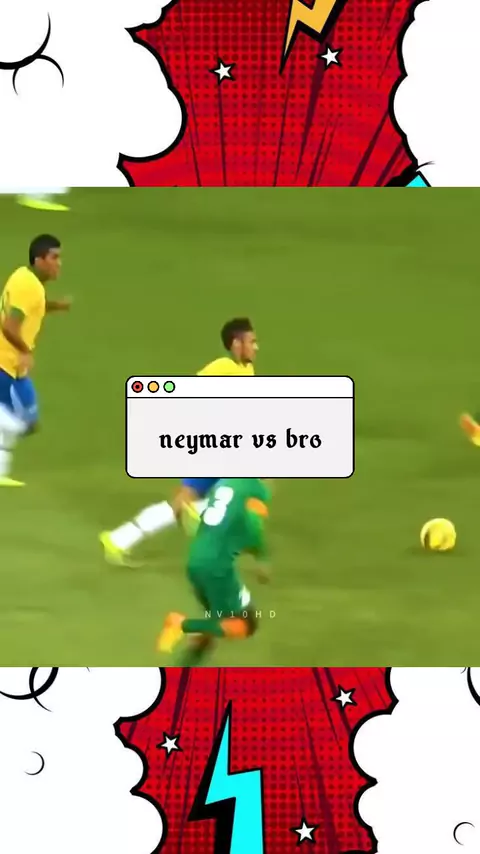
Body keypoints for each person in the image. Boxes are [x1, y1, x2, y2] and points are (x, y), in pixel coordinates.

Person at [100, 317, 259, 564]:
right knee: (242, 491)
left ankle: (119, 539)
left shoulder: (246, 370)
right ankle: (205, 515)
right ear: (237, 344)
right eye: (252, 341)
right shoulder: (223, 367)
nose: (256, 347)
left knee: (179, 505)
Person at [157, 477, 271, 665]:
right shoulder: (256, 489)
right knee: (246, 623)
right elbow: (253, 526)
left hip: (196, 560)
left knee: (213, 626)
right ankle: (180, 624)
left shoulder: (224, 482)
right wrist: (261, 559)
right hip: (217, 569)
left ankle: (182, 671)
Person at [0, 235, 71, 486]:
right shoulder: (28, 285)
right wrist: (25, 351)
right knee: (17, 422)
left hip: (14, 366)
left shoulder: (26, 278)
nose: (59, 263)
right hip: (4, 363)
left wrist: (55, 306)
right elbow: (9, 326)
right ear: (39, 260)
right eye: (54, 257)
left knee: (27, 422)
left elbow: (32, 306)